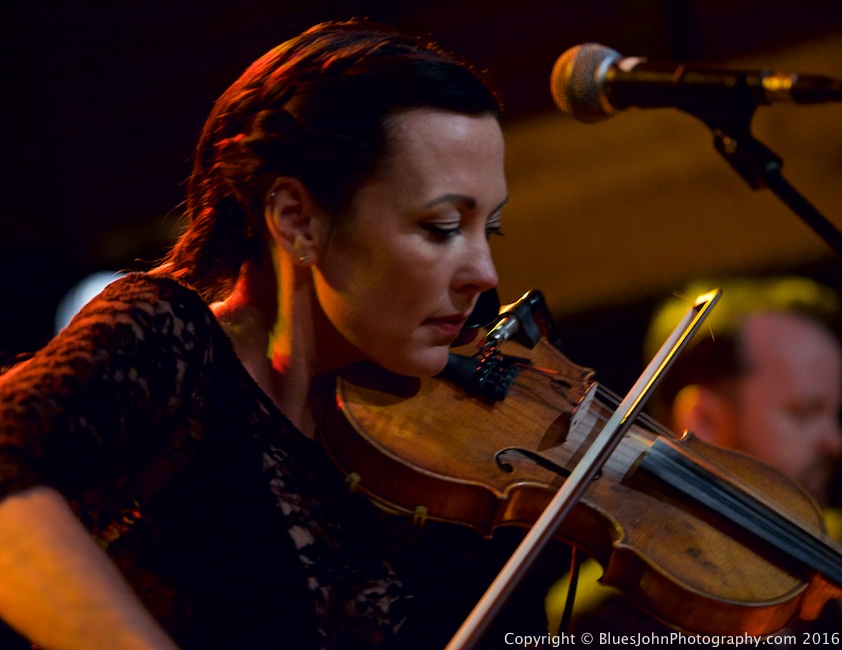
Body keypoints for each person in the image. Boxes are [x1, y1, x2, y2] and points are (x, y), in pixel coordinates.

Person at [0, 20, 566, 649]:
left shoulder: (444, 464)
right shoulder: (171, 338)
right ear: (297, 221)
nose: (484, 274)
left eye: (491, 228)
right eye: (440, 226)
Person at [546, 274, 842, 642]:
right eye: (803, 413)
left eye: (834, 415)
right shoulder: (617, 614)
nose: (834, 443)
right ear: (704, 420)